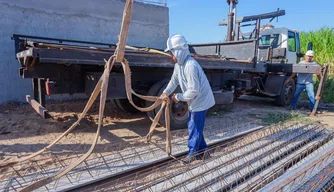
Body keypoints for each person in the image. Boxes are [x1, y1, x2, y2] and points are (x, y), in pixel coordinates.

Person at [159, 34, 215, 164]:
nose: (171, 56)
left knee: (193, 126)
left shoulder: (190, 66)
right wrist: (165, 92)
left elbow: (194, 90)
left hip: (201, 100)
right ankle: (204, 151)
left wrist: (179, 97)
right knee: (196, 126)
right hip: (195, 100)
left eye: (172, 53)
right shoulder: (179, 65)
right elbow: (174, 81)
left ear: (179, 51)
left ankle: (193, 154)